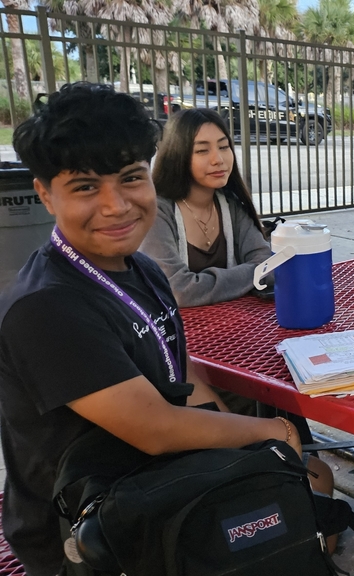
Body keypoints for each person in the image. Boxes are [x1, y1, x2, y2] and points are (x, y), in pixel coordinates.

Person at [0, 82, 335, 576]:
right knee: (295, 479)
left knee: (311, 478)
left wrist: (246, 442)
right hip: (91, 528)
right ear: (46, 195)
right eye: (86, 187)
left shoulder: (142, 269)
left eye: (131, 178)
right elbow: (156, 429)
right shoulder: (45, 305)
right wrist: (273, 430)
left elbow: (181, 369)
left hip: (152, 478)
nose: (116, 205)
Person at [139, 108, 272, 307]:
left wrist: (257, 270)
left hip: (232, 327)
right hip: (179, 332)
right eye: (202, 150)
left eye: (224, 147)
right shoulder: (158, 211)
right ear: (178, 155)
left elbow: (268, 264)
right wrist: (253, 273)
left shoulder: (230, 205)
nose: (218, 159)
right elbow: (177, 290)